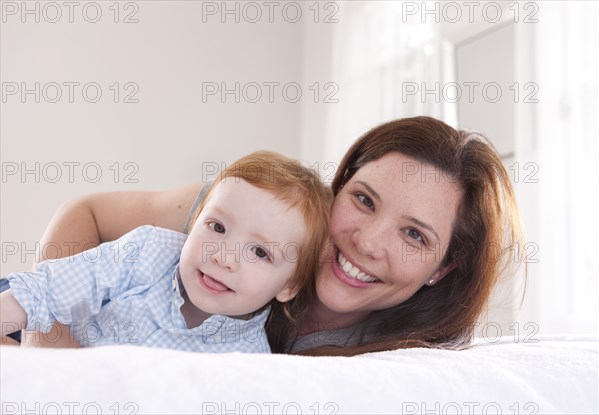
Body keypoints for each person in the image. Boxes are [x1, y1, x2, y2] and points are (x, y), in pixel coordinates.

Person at [6, 116, 524, 356]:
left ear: (442, 269)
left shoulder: (397, 358)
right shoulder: (250, 211)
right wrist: (49, 350)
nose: (366, 241)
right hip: (47, 305)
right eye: (363, 200)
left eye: (414, 234)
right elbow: (87, 212)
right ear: (336, 188)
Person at [0, 151, 332, 352]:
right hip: (41, 320)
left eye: (260, 252)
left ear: (289, 286)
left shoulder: (247, 360)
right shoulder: (148, 252)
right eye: (216, 227)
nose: (224, 258)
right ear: (195, 218)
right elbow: (47, 290)